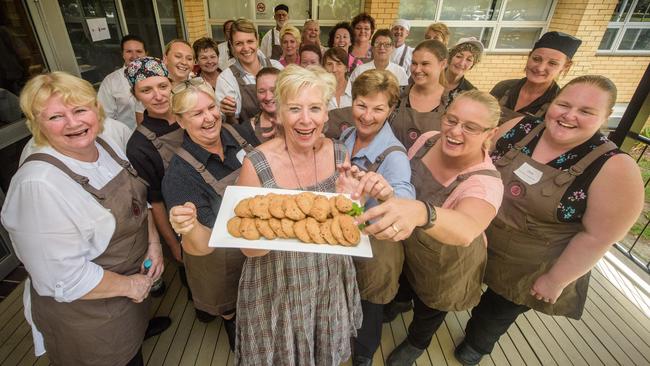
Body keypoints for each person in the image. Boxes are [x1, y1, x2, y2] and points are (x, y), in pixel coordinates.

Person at [454, 75, 643, 366]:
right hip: (481, 238)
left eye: (586, 111)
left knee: (495, 311)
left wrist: (557, 280)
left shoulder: (614, 167)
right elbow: (476, 160)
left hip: (530, 264)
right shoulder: (521, 127)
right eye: (563, 104)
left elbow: (599, 236)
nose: (569, 115)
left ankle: (477, 344)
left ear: (606, 117)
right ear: (551, 103)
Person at [196, 64, 362, 364]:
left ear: (327, 113)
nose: (305, 119)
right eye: (294, 108)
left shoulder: (339, 153)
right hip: (277, 282)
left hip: (328, 275)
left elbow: (345, 222)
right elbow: (249, 247)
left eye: (315, 108)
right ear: (280, 113)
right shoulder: (257, 163)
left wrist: (350, 201)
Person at [1, 71, 165, 365]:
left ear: (96, 110)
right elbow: (62, 278)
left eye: (80, 110)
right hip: (90, 315)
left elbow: (137, 201)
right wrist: (132, 286)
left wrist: (153, 243)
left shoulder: (103, 144)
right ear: (36, 123)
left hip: (131, 289)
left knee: (133, 347)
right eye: (56, 117)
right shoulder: (38, 184)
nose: (74, 123)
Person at [356, 90, 505, 366]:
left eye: (470, 127)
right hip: (413, 243)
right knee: (407, 282)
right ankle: (401, 303)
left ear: (490, 133)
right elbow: (404, 184)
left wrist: (421, 211)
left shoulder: (486, 183)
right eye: (451, 120)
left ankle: (417, 342)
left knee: (431, 306)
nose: (455, 132)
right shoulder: (427, 140)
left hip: (448, 260)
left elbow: (467, 228)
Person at [161, 77, 257, 348]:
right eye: (196, 113)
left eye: (211, 107)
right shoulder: (180, 175)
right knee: (232, 307)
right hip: (221, 259)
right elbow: (201, 242)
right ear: (180, 121)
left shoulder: (239, 134)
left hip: (259, 242)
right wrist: (188, 226)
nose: (209, 118)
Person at [340, 69, 416, 366]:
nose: (368, 116)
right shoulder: (348, 134)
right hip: (350, 235)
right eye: (362, 105)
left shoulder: (393, 155)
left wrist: (388, 195)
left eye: (378, 108)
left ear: (391, 110)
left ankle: (364, 355)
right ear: (352, 102)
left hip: (377, 246)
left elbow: (405, 198)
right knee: (350, 295)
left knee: (370, 304)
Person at [125, 57, 185, 282]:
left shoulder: (189, 114)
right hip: (179, 222)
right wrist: (172, 244)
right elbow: (155, 202)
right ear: (135, 95)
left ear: (172, 85)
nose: (158, 96)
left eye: (162, 86)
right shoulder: (139, 146)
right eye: (146, 90)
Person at [491, 31, 581, 118]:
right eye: (536, 59)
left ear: (565, 67)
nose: (540, 68)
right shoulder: (503, 88)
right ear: (529, 57)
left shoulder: (559, 104)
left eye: (552, 63)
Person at [216, 19, 283, 125]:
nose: (246, 48)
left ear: (258, 41)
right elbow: (232, 126)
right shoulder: (226, 79)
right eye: (239, 43)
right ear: (231, 45)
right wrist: (229, 114)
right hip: (249, 138)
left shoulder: (277, 67)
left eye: (250, 41)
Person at [390, 40, 449, 150]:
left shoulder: (452, 102)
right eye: (414, 63)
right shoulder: (397, 94)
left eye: (425, 64)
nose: (417, 70)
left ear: (443, 64)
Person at [135, 40, 195, 123]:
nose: (184, 62)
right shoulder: (149, 90)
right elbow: (143, 127)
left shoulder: (200, 85)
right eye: (178, 56)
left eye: (189, 58)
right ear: (165, 59)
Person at [97, 34, 146, 130]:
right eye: (129, 51)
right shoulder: (111, 81)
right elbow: (105, 117)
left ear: (145, 53)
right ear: (122, 54)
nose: (134, 56)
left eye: (139, 51)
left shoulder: (156, 77)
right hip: (126, 137)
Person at [244, 66, 281, 143]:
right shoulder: (247, 129)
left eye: (273, 90)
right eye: (261, 91)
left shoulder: (299, 121)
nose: (268, 97)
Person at [445, 37, 483, 103]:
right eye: (459, 56)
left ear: (472, 65)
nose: (462, 63)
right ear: (450, 58)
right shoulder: (431, 77)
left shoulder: (470, 93)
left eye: (469, 60)